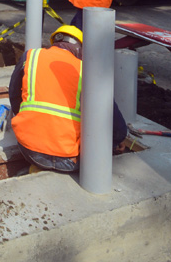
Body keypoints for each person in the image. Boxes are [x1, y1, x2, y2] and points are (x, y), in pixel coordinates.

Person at [9, 25, 128, 172]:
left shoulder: (31, 56)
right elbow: (113, 119)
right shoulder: (87, 70)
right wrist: (117, 141)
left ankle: (37, 167)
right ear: (80, 49)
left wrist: (28, 120)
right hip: (67, 157)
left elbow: (14, 94)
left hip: (28, 147)